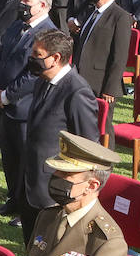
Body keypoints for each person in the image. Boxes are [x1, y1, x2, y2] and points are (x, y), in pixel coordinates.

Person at [17, 29, 100, 242]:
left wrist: (73, 189)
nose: (32, 59)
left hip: (54, 191)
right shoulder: (42, 81)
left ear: (55, 58)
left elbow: (88, 147)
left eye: (37, 54)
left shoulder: (77, 92)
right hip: (31, 182)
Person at [0, 0, 55, 216]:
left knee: (27, 162)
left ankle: (25, 207)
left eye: (27, 3)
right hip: (4, 105)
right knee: (9, 157)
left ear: (43, 6)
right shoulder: (17, 25)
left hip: (26, 108)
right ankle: (14, 200)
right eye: (22, 1)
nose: (22, 6)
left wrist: (6, 95)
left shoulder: (48, 35)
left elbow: (33, 75)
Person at [69, 0, 131, 142]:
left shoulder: (120, 17)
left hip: (100, 81)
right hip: (81, 76)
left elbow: (119, 56)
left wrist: (110, 87)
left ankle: (105, 160)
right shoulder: (91, 12)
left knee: (103, 125)